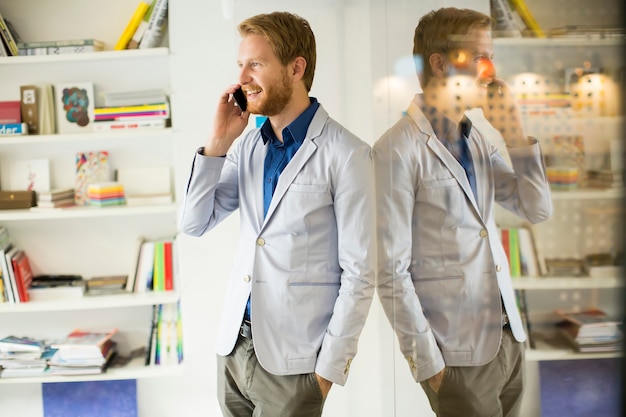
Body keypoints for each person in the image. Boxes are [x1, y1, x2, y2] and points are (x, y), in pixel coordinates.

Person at [179, 11, 376, 417]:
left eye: (256, 64)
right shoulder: (249, 146)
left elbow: (360, 273)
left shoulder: (348, 154)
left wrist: (326, 373)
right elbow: (194, 223)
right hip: (234, 351)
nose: (243, 77)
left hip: (295, 366)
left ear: (296, 68)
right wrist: (217, 144)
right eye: (240, 65)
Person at [373, 7, 552, 417]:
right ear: (439, 63)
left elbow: (535, 207)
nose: (489, 69)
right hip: (457, 357)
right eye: (478, 56)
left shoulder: (477, 141)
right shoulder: (396, 150)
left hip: (508, 341)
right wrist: (430, 367)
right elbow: (390, 271)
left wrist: (513, 132)